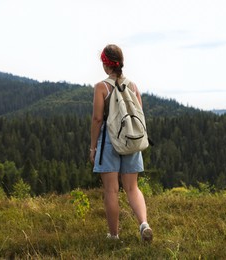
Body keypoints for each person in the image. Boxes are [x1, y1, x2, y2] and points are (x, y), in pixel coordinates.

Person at [89, 44, 153, 242]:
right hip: (131, 141)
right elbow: (138, 116)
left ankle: (114, 235)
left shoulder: (102, 87)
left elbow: (98, 119)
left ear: (105, 64)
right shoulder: (133, 86)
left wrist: (93, 147)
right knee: (132, 188)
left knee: (111, 190)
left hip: (109, 142)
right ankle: (144, 224)